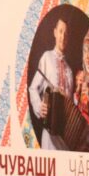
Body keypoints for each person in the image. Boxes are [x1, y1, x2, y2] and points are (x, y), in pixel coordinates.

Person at [28, 16, 74, 150]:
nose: (63, 37)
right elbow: (32, 88)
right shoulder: (46, 57)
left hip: (65, 138)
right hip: (49, 135)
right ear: (55, 32)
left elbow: (70, 102)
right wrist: (39, 106)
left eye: (66, 34)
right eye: (60, 31)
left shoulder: (69, 70)